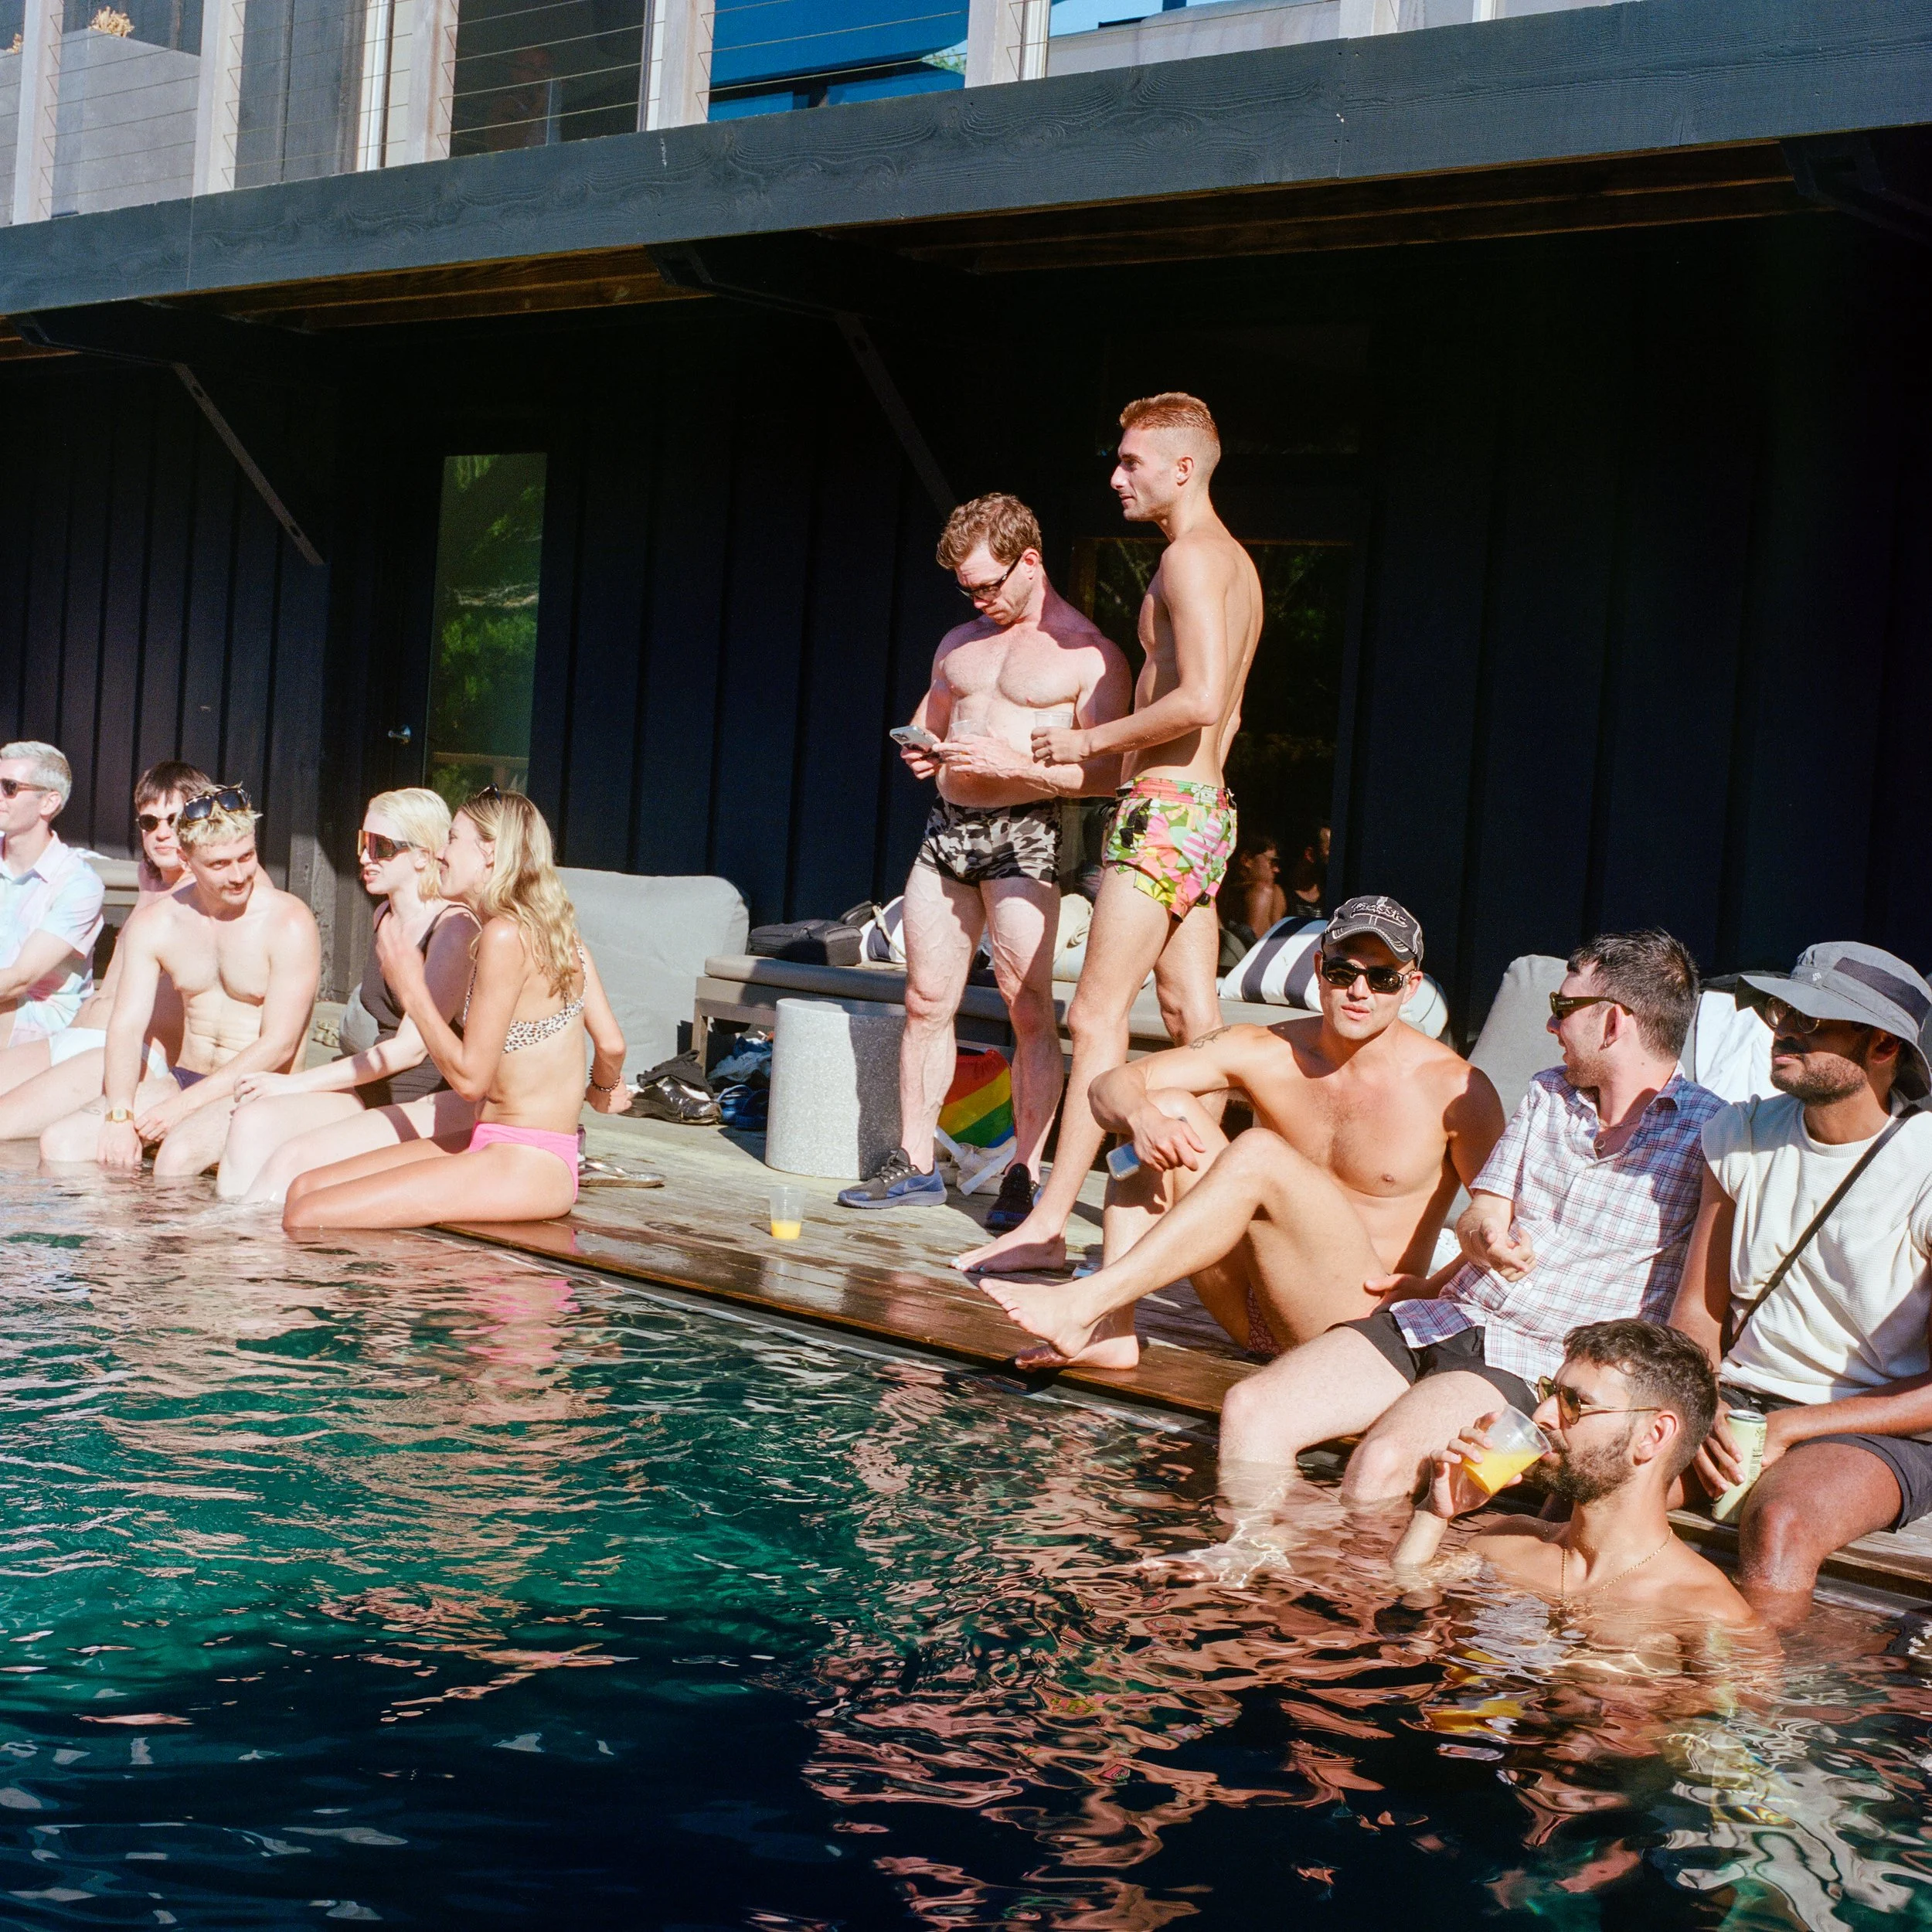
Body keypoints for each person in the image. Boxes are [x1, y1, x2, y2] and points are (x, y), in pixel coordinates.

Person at [1111, 929, 1716, 1506]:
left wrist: (1698, 1410)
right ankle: (1254, 1560)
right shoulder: (1549, 1093)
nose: (1552, 1022)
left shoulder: (1711, 1138)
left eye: (1564, 1005)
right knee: (1250, 1409)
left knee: (1379, 1467)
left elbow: (1712, 1302)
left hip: (1529, 1360)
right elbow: (1485, 1206)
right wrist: (1476, 1243)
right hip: (1440, 1316)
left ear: (1612, 1022)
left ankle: (1315, 1605)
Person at [961, 395, 1266, 1274]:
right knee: (1190, 1020)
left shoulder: (1192, 562)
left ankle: (1048, 1224)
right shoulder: (1233, 564)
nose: (1115, 477)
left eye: (1132, 462)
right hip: (1202, 809)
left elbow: (1202, 698)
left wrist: (1089, 742)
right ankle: (1215, 1221)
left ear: (1183, 467)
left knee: (1094, 1018)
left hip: (1166, 811)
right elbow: (1231, 714)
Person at [982, 896, 1502, 1369]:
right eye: (1343, 972)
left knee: (1258, 1152)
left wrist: (1435, 1285)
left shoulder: (1456, 1089)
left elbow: (1513, 1228)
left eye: (1383, 979)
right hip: (1247, 1309)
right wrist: (1142, 1117)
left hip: (1355, 1325)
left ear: (1410, 987)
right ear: (1320, 970)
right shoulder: (1266, 1049)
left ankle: (1087, 1301)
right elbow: (1108, 1088)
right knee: (1162, 1104)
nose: (1359, 992)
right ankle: (1111, 1329)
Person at [838, 495, 1130, 1230]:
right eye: (968, 589)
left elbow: (1108, 776)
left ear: (1030, 562)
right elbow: (929, 720)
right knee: (925, 1000)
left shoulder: (1088, 653)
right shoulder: (960, 642)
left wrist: (1013, 765)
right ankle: (914, 1164)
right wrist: (919, 747)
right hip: (947, 828)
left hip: (1029, 832)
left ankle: (1023, 1173)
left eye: (990, 585)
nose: (980, 600)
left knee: (1026, 1007)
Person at [1671, 942, 1932, 1628]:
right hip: (1743, 1400)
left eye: (1811, 1019)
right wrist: (1699, 1402)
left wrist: (1796, 1427)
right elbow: (1698, 1313)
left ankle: (1747, 1715)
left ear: (1882, 1046)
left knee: (1781, 1520)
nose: (1782, 1027)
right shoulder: (1741, 1133)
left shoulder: (1925, 1168)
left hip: (1878, 1422)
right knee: (1605, 1474)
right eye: (1781, 1009)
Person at [282, 787, 630, 1232]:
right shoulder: (560, 935)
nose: (441, 853)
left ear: (489, 852)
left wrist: (412, 989)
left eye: (452, 839)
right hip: (510, 1144)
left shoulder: (503, 937)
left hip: (526, 1161)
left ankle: (388, 1297)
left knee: (306, 1216)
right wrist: (602, 1091)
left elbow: (469, 1080)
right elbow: (613, 1044)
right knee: (303, 1190)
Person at [1392, 1320, 1755, 1631]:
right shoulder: (1504, 1543)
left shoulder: (1708, 1613)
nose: (1543, 1415)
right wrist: (1435, 1514)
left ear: (1652, 1436)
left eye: (1575, 1402)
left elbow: (1731, 1713)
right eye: (1549, 1392)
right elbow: (1407, 1607)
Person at [39, 784, 321, 1178]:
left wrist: (182, 1109)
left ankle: (176, 1239)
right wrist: (120, 1114)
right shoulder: (159, 923)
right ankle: (113, 1238)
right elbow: (126, 1026)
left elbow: (280, 1044)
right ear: (187, 859)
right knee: (62, 1142)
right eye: (220, 864)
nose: (239, 875)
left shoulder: (288, 922)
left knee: (177, 1156)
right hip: (184, 1078)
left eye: (247, 857)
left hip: (259, 1090)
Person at [216, 788, 481, 1202]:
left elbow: (409, 1051)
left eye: (381, 847)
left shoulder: (453, 928)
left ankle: (253, 1251)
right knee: (252, 1122)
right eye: (363, 841)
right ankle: (225, 1247)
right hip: (376, 1082)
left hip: (427, 1094)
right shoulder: (385, 916)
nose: (364, 856)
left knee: (292, 1159)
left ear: (423, 856)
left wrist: (294, 1084)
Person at [0, 759, 205, 1115]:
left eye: (176, 820)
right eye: (149, 822)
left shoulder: (206, 893)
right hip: (74, 1036)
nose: (162, 832)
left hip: (132, 1053)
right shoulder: (150, 877)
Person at [0, 741, 105, 1055]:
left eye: (10, 787)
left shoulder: (78, 883)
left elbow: (20, 980)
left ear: (48, 802)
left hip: (43, 1020)